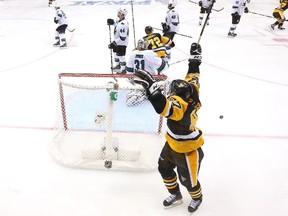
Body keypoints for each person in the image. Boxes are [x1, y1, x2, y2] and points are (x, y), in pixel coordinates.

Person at [133, 42, 205, 213]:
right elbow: (193, 76)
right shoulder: (192, 90)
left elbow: (165, 109)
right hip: (172, 143)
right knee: (163, 167)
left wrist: (152, 90)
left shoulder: (179, 105)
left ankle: (197, 197)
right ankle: (175, 194)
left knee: (189, 181)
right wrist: (194, 59)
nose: (170, 95)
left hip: (187, 150)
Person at [125, 38, 168, 106]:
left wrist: (132, 80)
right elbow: (164, 67)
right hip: (149, 79)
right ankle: (150, 92)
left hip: (135, 79)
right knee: (165, 79)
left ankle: (139, 91)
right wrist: (165, 62)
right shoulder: (150, 53)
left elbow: (128, 69)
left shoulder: (133, 53)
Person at [107, 8, 129, 74]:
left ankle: (123, 69)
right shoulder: (119, 21)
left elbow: (123, 38)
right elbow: (116, 24)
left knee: (121, 56)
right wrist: (112, 22)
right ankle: (118, 66)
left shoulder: (124, 24)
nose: (118, 13)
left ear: (122, 14)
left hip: (121, 43)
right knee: (115, 54)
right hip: (117, 42)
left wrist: (113, 43)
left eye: (119, 12)